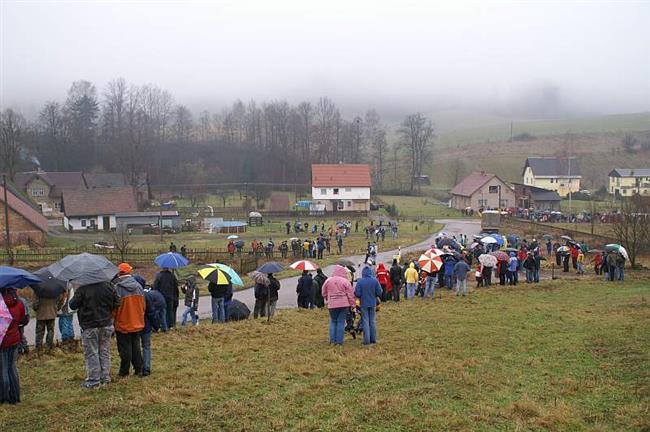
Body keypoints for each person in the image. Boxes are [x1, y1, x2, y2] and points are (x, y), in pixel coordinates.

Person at [69, 276, 120, 388]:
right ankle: (105, 377)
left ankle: (93, 379)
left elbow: (72, 305)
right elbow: (117, 302)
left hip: (89, 324)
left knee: (92, 352)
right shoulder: (109, 286)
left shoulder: (83, 288)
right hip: (106, 323)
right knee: (104, 351)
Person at [112, 263, 146, 378]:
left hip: (122, 323)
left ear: (119, 273)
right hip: (137, 322)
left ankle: (124, 372)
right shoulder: (139, 287)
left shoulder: (117, 288)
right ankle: (139, 369)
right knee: (136, 347)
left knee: (124, 349)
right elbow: (143, 306)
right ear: (129, 272)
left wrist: (113, 320)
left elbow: (114, 309)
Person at [1, 287, 28, 404]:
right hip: (15, 339)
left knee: (2, 369)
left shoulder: (1, 305)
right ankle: (15, 397)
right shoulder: (19, 303)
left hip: (2, 341)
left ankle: (4, 397)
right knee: (12, 367)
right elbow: (23, 320)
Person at [322, 265, 356, 345]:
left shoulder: (328, 280)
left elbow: (323, 292)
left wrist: (328, 298)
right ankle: (339, 341)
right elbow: (350, 295)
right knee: (341, 322)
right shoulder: (345, 281)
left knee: (333, 321)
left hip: (332, 304)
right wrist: (352, 305)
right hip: (344, 305)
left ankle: (332, 340)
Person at [354, 266, 383, 345]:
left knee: (365, 321)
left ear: (363, 273)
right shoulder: (375, 280)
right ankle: (373, 339)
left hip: (363, 304)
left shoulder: (360, 282)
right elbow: (380, 292)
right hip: (372, 303)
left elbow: (357, 293)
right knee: (372, 321)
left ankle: (366, 340)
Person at [141, 286, 165, 376]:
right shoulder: (146, 295)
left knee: (135, 347)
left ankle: (138, 368)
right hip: (146, 326)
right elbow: (151, 312)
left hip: (134, 325)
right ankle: (146, 368)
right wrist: (156, 326)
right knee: (146, 347)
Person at [58, 283, 76, 350]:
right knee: (69, 323)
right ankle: (71, 339)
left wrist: (59, 307)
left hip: (65, 309)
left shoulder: (65, 285)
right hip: (70, 308)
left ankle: (66, 341)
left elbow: (64, 298)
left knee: (63, 325)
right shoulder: (70, 284)